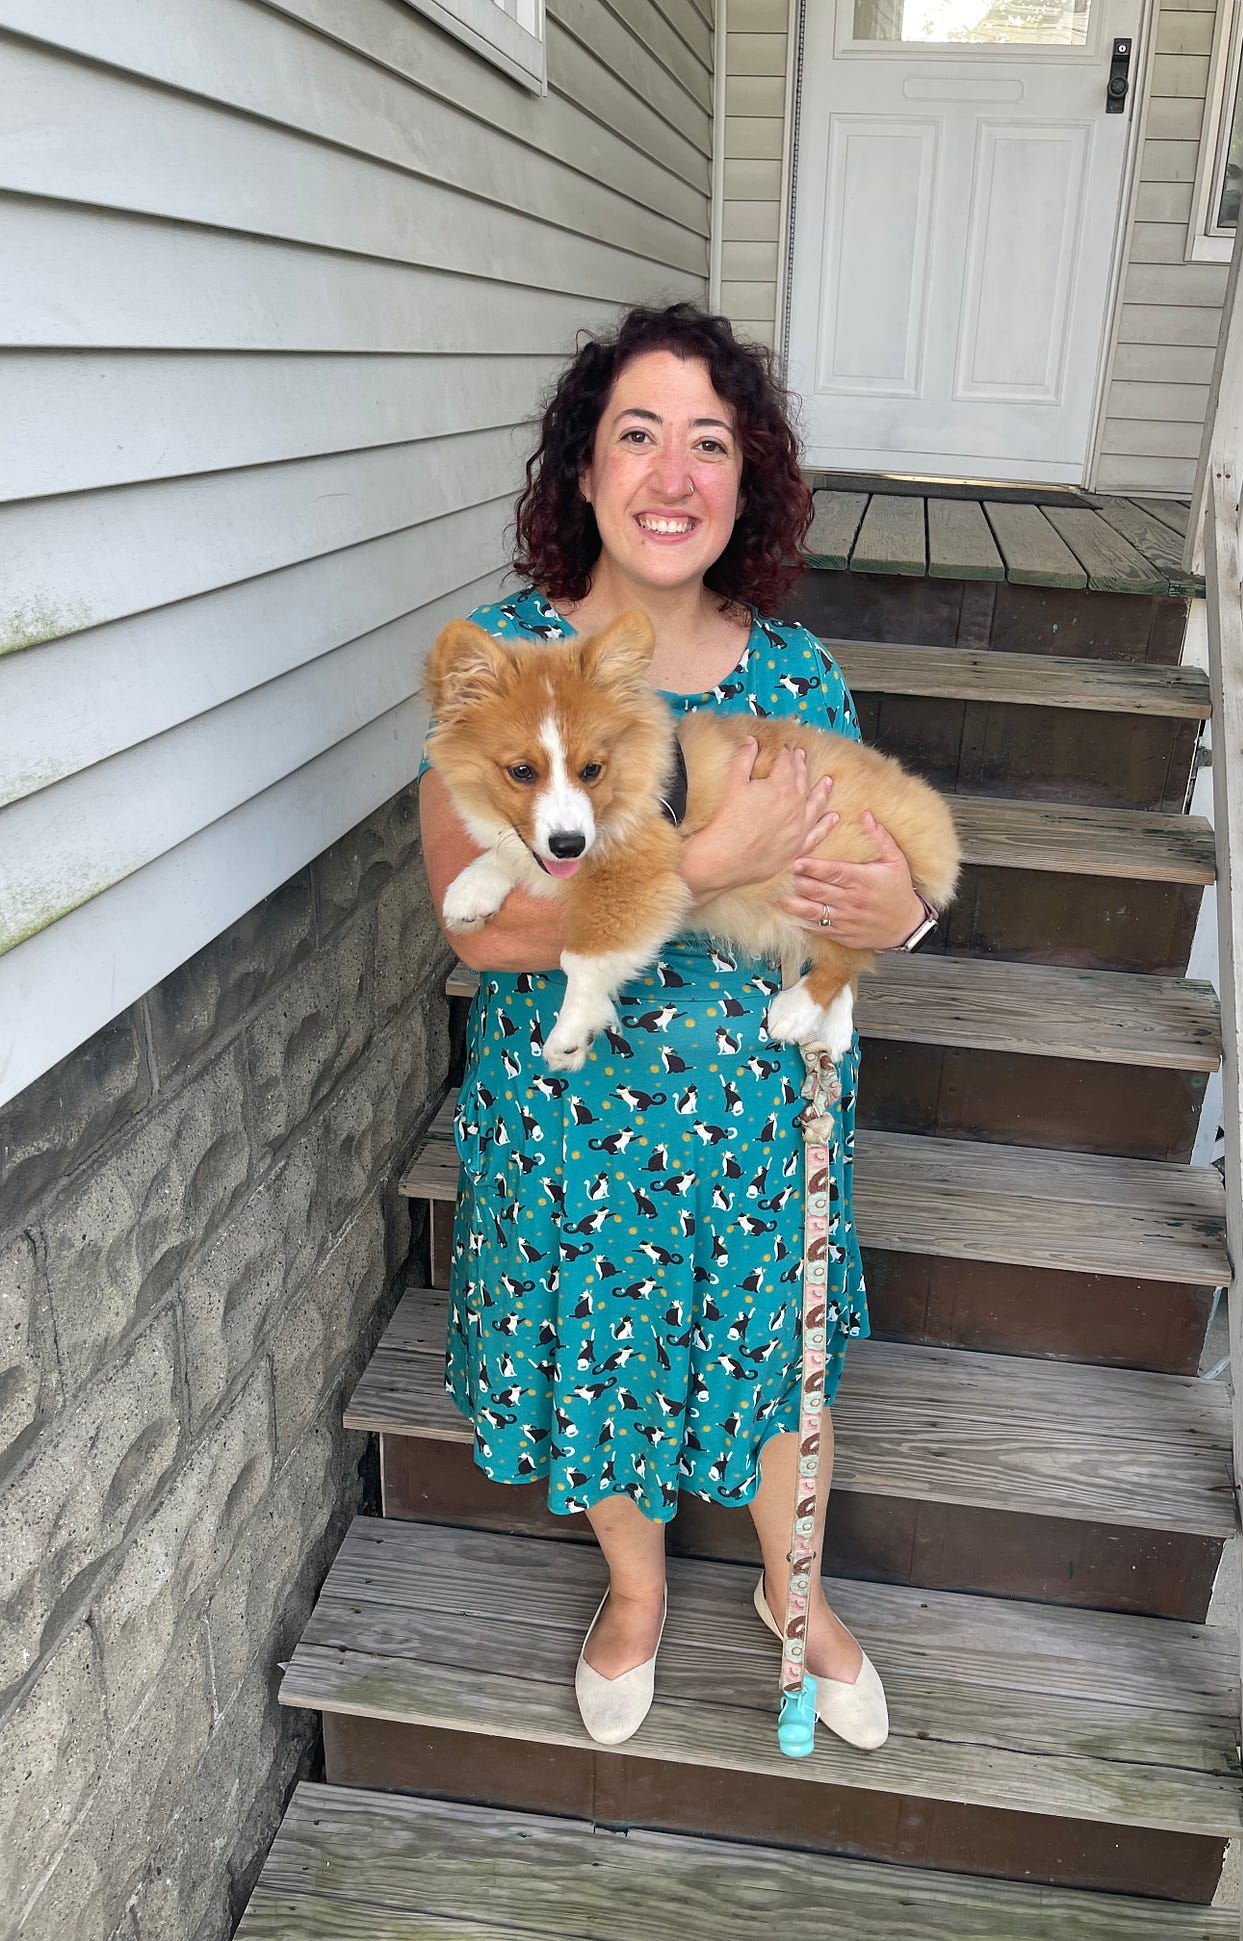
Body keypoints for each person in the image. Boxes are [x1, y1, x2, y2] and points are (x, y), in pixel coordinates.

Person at [418, 303, 929, 1751]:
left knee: (776, 1375)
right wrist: (701, 861)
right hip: (573, 1129)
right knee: (605, 1357)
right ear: (581, 472)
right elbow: (479, 917)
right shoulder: (510, 666)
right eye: (636, 433)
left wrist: (895, 915)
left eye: (709, 442)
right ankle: (636, 1588)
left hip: (764, 1130)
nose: (671, 471)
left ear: (744, 483)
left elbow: (879, 886)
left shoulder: (798, 676)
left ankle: (793, 1587)